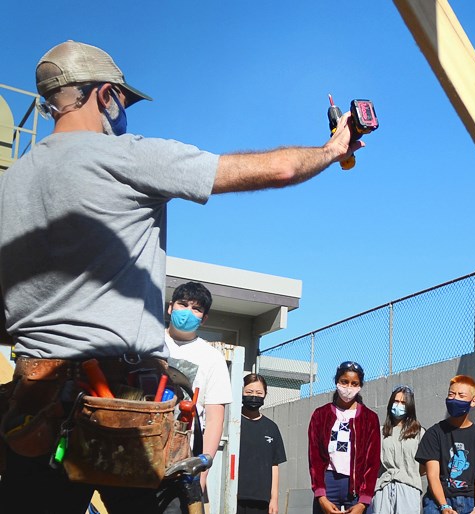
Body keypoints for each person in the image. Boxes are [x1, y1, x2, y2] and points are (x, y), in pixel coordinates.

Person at [0, 40, 362, 513]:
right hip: (118, 404)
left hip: (33, 407)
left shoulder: (11, 183)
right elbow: (278, 168)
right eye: (123, 100)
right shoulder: (124, 157)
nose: (124, 111)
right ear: (105, 95)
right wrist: (334, 148)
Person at [164, 281, 232, 500]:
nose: (188, 312)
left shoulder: (212, 357)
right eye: (182, 304)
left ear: (204, 318)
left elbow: (214, 420)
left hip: (184, 459)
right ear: (170, 307)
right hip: (141, 448)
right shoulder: (149, 342)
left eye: (196, 309)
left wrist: (203, 470)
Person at [415, 374, 475, 514]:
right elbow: (432, 475)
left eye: (461, 395)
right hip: (439, 500)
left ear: (473, 401)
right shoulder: (434, 433)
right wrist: (444, 506)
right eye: (451, 394)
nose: (455, 399)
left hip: (473, 499)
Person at [308, 361, 381, 514]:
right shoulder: (320, 415)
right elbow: (314, 457)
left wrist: (363, 502)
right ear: (336, 382)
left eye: (354, 383)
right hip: (328, 482)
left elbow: (372, 462)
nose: (348, 387)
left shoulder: (370, 418)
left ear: (360, 386)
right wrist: (321, 495)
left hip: (356, 486)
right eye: (344, 382)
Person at [237, 374, 286, 514]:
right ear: (241, 392)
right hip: (234, 497)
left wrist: (274, 499)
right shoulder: (231, 424)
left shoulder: (271, 428)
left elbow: (274, 465)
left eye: (259, 393)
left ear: (265, 395)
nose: (254, 396)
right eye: (249, 392)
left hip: (261, 502)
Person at [372, 385, 425, 514]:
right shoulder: (381, 432)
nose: (399, 405)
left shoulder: (418, 432)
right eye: (396, 401)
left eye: (403, 402)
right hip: (383, 487)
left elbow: (424, 467)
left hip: (409, 487)